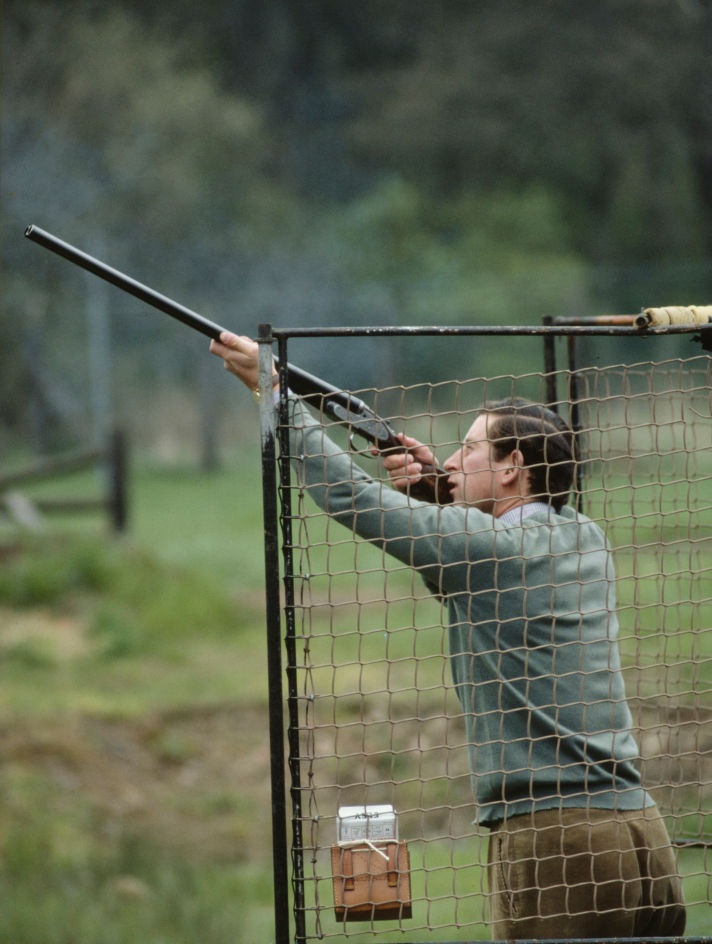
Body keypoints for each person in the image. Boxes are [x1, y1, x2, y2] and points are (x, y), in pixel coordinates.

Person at [210, 331, 686, 940]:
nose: (452, 460)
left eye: (469, 449)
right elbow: (481, 582)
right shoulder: (583, 536)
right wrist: (438, 493)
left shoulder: (493, 550)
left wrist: (277, 396)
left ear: (513, 468)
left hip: (560, 844)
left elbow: (348, 495)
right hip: (641, 835)